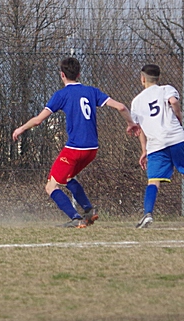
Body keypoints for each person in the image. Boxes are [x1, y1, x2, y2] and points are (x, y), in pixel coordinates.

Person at [12, 57, 140, 228]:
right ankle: (89, 210)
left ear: (62, 75)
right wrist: (131, 123)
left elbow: (38, 120)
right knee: (68, 178)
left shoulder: (61, 95)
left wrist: (20, 129)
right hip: (92, 149)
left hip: (75, 148)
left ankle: (75, 218)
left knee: (51, 186)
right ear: (79, 74)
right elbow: (121, 107)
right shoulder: (92, 91)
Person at [130, 64, 184, 228]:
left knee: (153, 181)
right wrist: (178, 115)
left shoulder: (137, 101)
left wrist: (144, 150)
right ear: (158, 78)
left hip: (156, 144)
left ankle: (148, 214)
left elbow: (139, 129)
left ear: (142, 79)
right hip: (177, 138)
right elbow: (173, 101)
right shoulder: (166, 89)